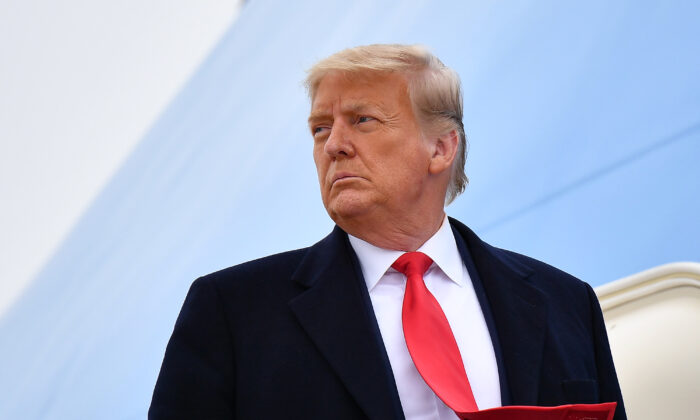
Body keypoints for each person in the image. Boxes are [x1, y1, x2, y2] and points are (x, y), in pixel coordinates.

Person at [149, 44, 626, 420]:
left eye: (362, 120)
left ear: (440, 148)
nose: (334, 145)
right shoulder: (232, 312)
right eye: (319, 129)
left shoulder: (567, 303)